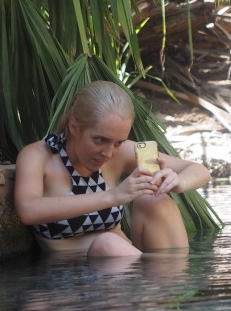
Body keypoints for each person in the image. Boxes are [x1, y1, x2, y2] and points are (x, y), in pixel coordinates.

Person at [14, 81, 211, 257]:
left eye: (118, 143)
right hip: (70, 281)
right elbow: (28, 210)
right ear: (74, 126)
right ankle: (153, 283)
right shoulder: (39, 156)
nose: (109, 153)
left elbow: (199, 170)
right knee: (108, 244)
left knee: (155, 199)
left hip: (127, 275)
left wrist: (176, 182)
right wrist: (113, 196)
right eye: (100, 140)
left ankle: (169, 288)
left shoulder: (120, 152)